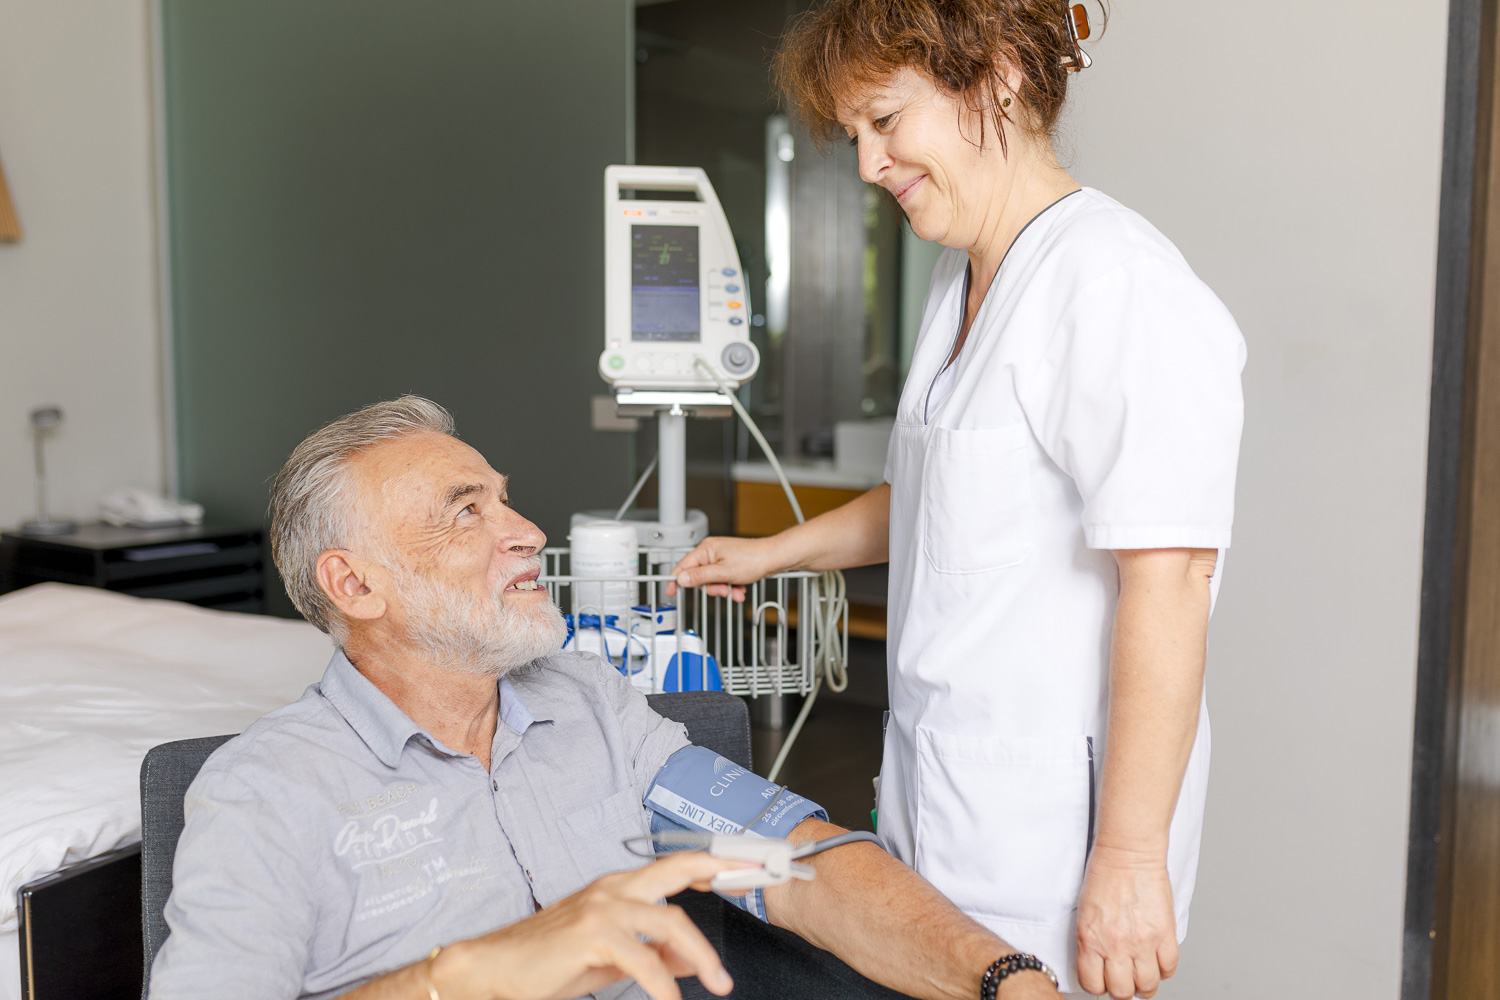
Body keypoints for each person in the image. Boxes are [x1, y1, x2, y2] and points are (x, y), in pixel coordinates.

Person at [669, 3, 1246, 998]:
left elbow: (1172, 576)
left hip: (1053, 842)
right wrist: (768, 554)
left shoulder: (1114, 284)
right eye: (854, 134)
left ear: (1000, 75)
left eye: (886, 121)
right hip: (938, 801)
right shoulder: (958, 279)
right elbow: (936, 497)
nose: (868, 164)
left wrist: (1130, 857)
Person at [147, 396, 1063, 1000]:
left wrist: (1003, 975)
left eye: (505, 500)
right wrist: (472, 973)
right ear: (354, 585)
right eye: (467, 512)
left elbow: (790, 860)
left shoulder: (591, 704)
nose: (526, 531)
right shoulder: (266, 792)